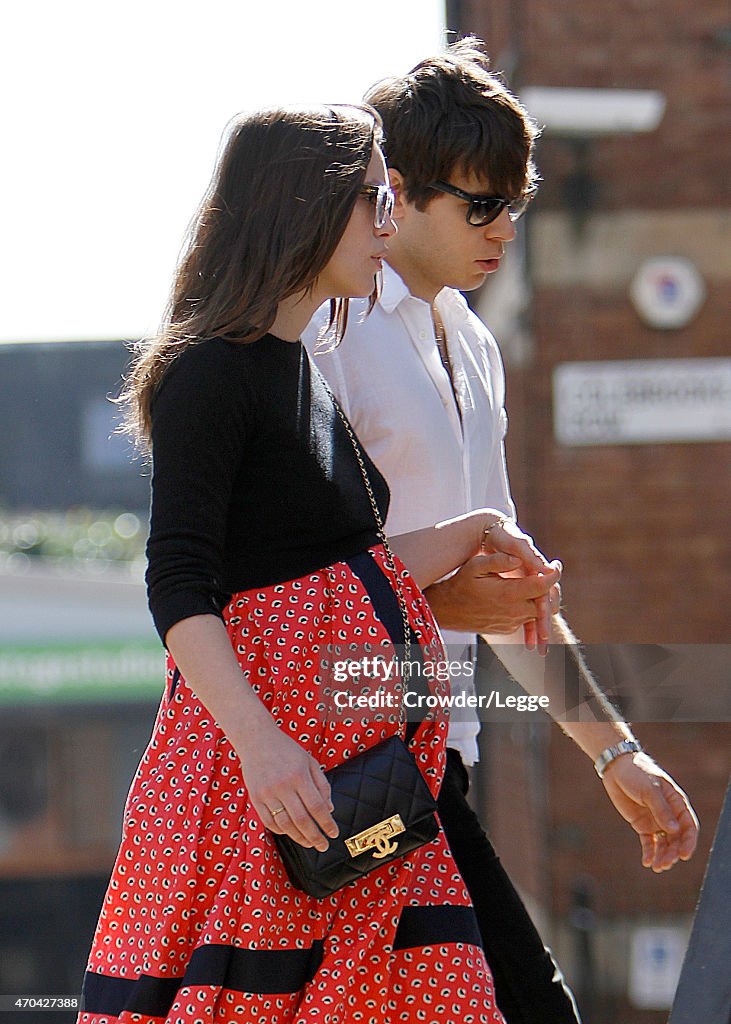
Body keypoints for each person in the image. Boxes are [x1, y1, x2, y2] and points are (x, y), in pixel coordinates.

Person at [77, 104, 557, 1024]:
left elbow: (341, 568)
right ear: (306, 204)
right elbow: (180, 584)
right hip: (270, 792)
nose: (388, 225)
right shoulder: (207, 373)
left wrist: (473, 529)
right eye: (373, 201)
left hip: (366, 786)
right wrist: (263, 749)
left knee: (455, 1000)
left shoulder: (304, 372)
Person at [304, 41, 700, 1024]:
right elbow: (282, 580)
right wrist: (437, 596)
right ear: (396, 192)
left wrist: (615, 757)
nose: (505, 231)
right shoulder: (327, 333)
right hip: (344, 764)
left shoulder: (472, 344)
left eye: (514, 205)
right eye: (480, 206)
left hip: (442, 762)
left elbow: (511, 587)